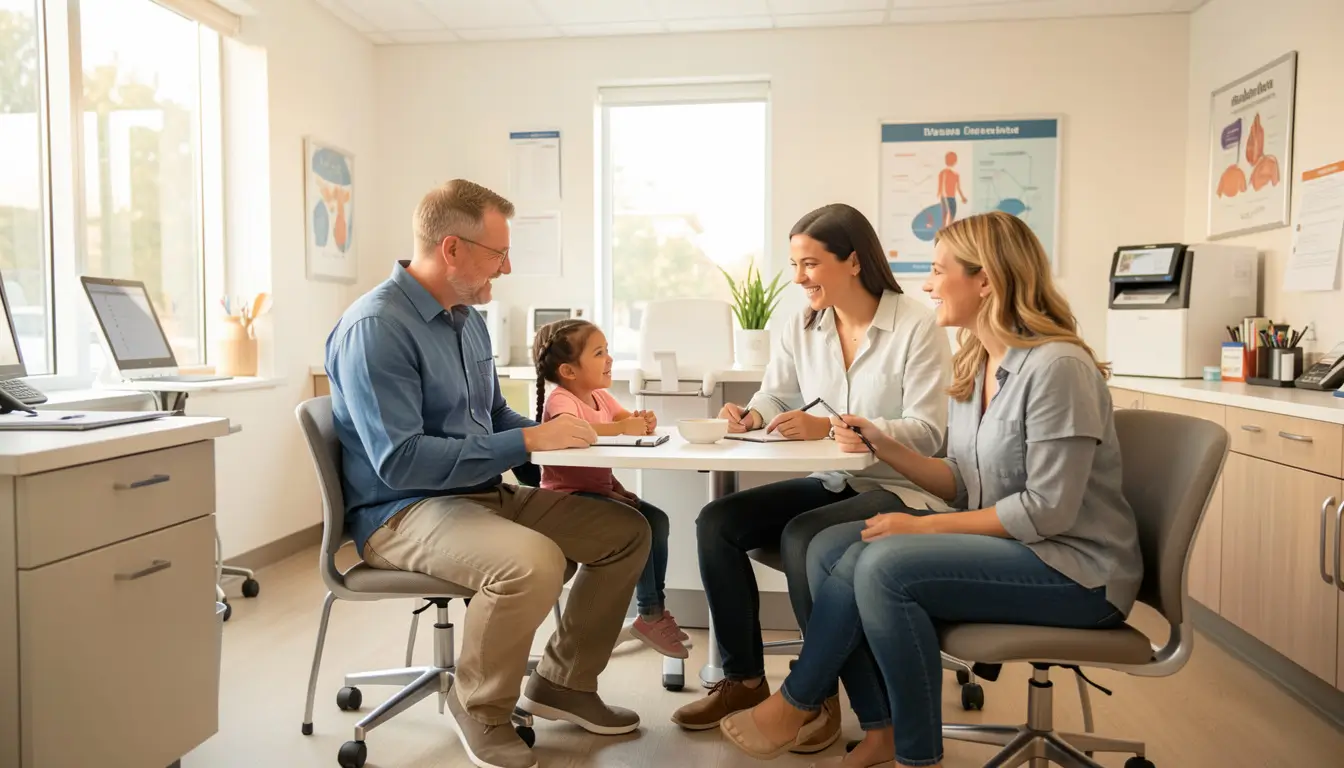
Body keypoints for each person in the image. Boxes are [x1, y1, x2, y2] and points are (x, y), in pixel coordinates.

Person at [718, 211, 1144, 768]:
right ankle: (891, 737)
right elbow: (962, 480)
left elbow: (1047, 512)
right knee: (832, 549)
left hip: (1078, 571)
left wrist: (922, 525)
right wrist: (881, 441)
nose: (925, 284)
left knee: (882, 565)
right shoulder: (979, 362)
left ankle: (803, 702)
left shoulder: (1058, 368)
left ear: (985, 279)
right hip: (1016, 549)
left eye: (939, 270)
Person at [326, 179, 651, 768]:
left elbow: (493, 415)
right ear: (452, 249)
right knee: (532, 562)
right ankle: (479, 708)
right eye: (498, 253)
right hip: (401, 512)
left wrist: (566, 441)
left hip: (480, 494)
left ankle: (563, 683)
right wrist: (528, 439)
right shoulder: (376, 329)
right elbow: (400, 460)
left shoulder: (467, 318)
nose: (506, 267)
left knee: (625, 530)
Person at [671, 203, 953, 751]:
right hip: (832, 479)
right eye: (795, 264)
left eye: (810, 264)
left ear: (852, 262)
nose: (798, 277)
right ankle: (744, 680)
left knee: (804, 538)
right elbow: (778, 392)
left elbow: (928, 432)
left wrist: (828, 424)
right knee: (717, 522)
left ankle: (819, 696)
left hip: (897, 487)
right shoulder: (802, 324)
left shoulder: (915, 325)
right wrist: (751, 413)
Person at [533, 317, 691, 659]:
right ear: (569, 371)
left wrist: (640, 421)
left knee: (656, 519)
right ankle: (649, 614)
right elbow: (576, 431)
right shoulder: (561, 401)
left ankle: (653, 611)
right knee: (640, 525)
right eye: (599, 353)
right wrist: (622, 430)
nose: (610, 359)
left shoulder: (600, 397)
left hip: (599, 494)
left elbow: (622, 420)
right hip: (566, 502)